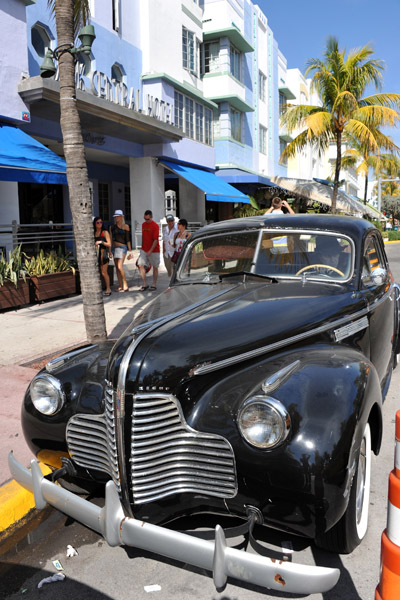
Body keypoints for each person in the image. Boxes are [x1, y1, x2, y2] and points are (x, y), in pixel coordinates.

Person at [109, 209, 133, 292]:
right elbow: (111, 239)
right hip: (115, 248)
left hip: (123, 248)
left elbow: (128, 239)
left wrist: (130, 251)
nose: (116, 218)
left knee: (120, 266)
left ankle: (125, 283)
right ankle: (120, 285)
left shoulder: (125, 226)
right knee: (117, 267)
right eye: (115, 217)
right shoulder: (112, 227)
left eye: (118, 216)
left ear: (121, 217)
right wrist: (109, 250)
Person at [137, 210, 160, 291]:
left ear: (151, 217)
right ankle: (145, 283)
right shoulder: (143, 225)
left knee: (155, 267)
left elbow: (155, 240)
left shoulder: (155, 226)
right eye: (145, 219)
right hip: (144, 249)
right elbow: (143, 237)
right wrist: (142, 248)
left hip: (154, 250)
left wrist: (150, 250)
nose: (146, 221)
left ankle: (154, 284)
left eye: (147, 219)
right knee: (140, 264)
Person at [93, 216, 112, 296]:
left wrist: (101, 242)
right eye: (98, 222)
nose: (99, 224)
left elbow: (109, 244)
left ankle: (108, 288)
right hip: (95, 254)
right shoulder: (93, 232)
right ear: (95, 223)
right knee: (99, 272)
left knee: (104, 272)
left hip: (103, 253)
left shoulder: (104, 232)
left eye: (101, 222)